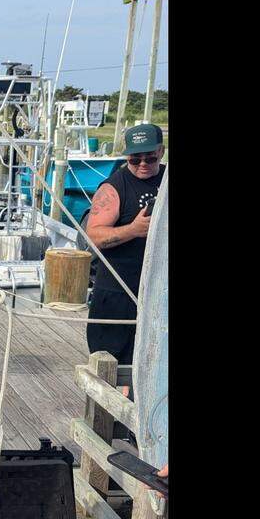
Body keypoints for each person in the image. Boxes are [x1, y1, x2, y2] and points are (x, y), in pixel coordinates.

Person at [83, 123, 166, 365]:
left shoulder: (167, 178)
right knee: (108, 365)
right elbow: (94, 237)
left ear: (161, 151)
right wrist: (133, 230)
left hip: (157, 293)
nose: (142, 164)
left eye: (149, 158)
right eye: (135, 159)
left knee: (151, 365)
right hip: (117, 293)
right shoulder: (113, 188)